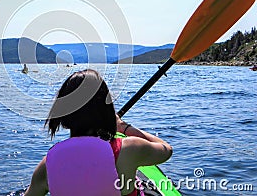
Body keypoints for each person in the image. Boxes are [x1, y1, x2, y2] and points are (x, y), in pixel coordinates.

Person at [24, 69, 173, 196]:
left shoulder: (47, 164)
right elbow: (166, 150)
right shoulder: (129, 149)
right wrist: (124, 127)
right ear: (106, 110)